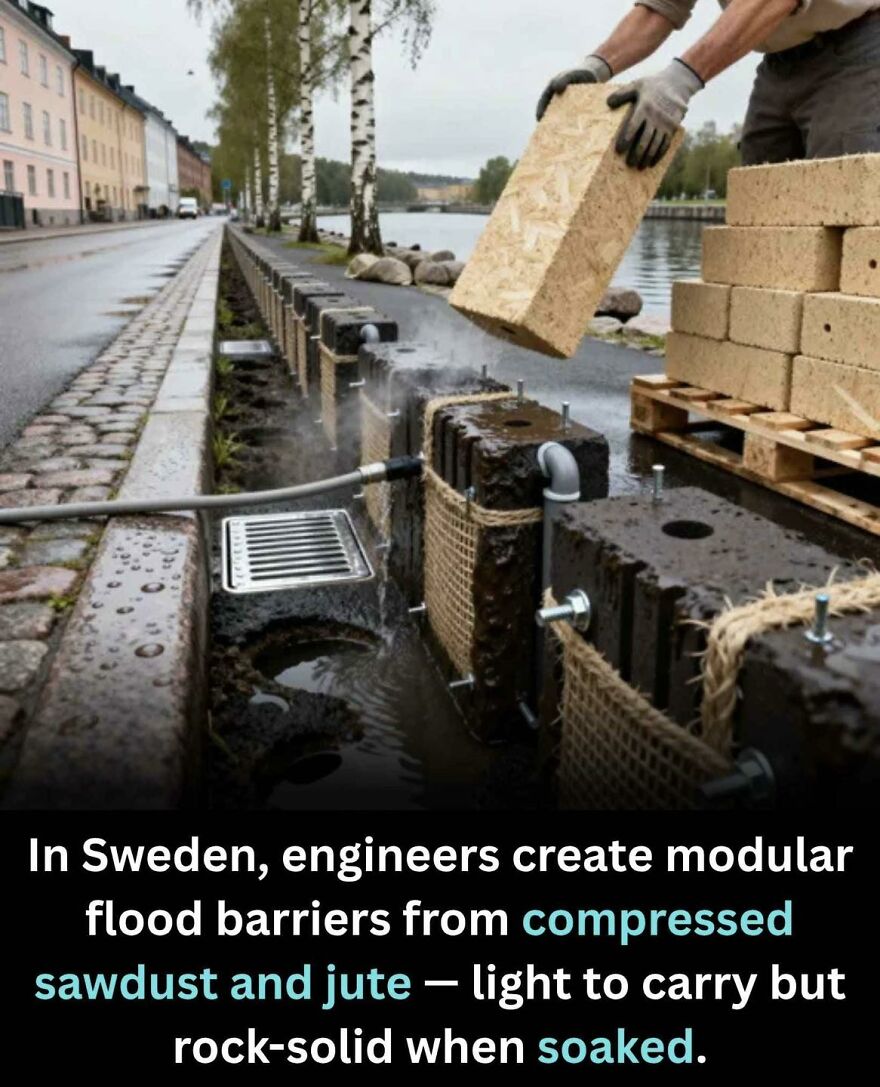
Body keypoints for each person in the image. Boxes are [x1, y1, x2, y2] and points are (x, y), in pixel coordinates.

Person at [537, 1, 880, 170]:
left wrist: (679, 81)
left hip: (859, 48)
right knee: (761, 205)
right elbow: (659, 10)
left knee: (846, 190)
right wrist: (596, 66)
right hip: (779, 63)